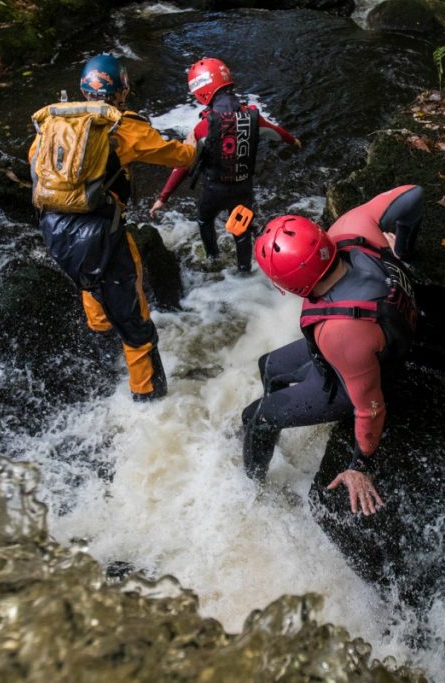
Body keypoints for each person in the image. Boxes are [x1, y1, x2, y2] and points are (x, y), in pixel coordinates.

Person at [241, 185, 425, 515]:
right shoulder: (353, 226)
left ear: (290, 286)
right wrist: (404, 250)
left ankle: (254, 490)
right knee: (268, 364)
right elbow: (414, 194)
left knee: (254, 418)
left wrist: (359, 465)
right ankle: (279, 423)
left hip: (353, 373)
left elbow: (370, 407)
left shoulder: (338, 333)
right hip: (379, 327)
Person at [29, 54, 196, 402]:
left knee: (90, 282)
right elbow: (177, 156)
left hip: (56, 231)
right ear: (120, 90)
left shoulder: (53, 124)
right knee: (134, 317)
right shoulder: (122, 126)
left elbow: (38, 167)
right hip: (105, 233)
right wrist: (195, 146)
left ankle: (103, 352)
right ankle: (148, 395)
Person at [149, 57, 301, 272]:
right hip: (243, 188)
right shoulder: (253, 117)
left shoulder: (203, 127)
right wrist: (293, 141)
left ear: (202, 91)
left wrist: (163, 197)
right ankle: (244, 270)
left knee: (204, 220)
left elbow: (183, 164)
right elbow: (278, 133)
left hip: (214, 189)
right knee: (241, 229)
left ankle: (213, 258)